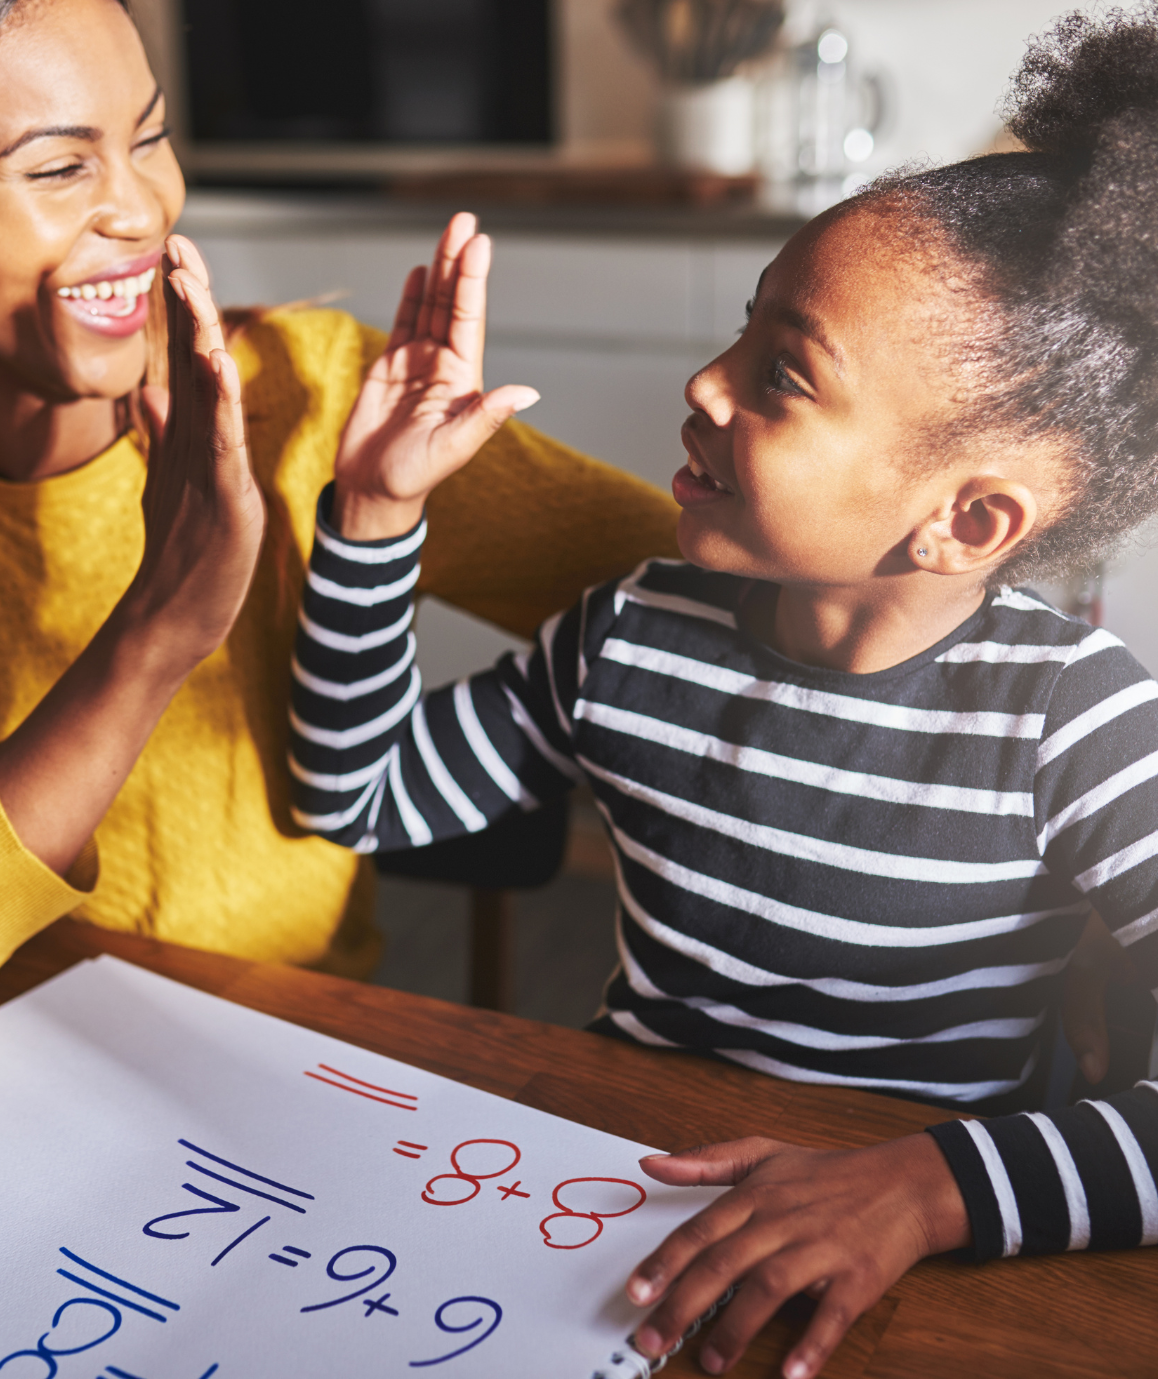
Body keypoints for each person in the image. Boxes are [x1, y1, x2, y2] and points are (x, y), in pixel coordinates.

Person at [288, 7, 1158, 1377]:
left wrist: (925, 1187)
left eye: (780, 374)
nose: (703, 383)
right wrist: (375, 514)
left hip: (917, 1259)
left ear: (969, 520)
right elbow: (357, 795)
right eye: (740, 329)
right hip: (616, 1196)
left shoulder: (1080, 724)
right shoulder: (632, 632)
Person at [0, 0, 681, 1037]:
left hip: (301, 1050)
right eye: (60, 168)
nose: (143, 208)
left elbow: (724, 595)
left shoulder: (312, 395)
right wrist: (156, 631)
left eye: (150, 138)